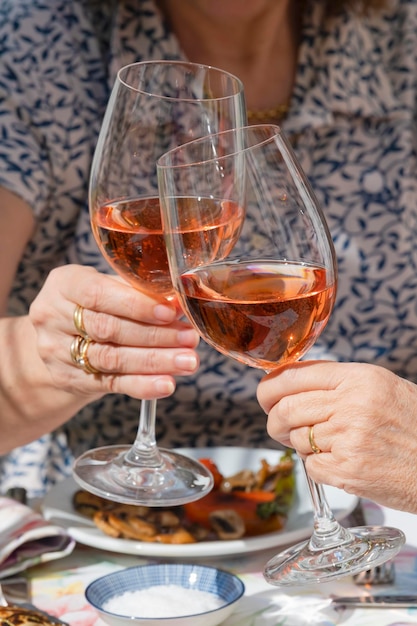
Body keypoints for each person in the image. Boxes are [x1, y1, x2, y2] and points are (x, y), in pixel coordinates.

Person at [1, 0, 417, 502]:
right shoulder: (32, 41)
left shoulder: (403, 41)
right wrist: (39, 364)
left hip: (380, 525)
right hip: (100, 522)